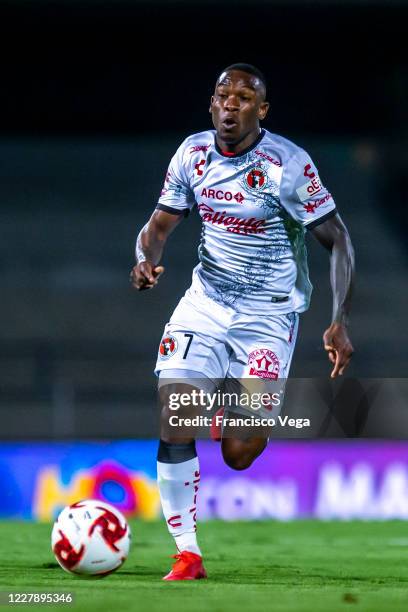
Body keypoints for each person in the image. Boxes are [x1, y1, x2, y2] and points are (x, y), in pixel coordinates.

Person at [130, 63, 354, 580]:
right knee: (175, 412)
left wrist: (338, 319)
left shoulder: (288, 166)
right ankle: (187, 553)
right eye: (222, 94)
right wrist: (142, 258)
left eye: (245, 97)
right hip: (205, 303)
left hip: (269, 315)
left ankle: (230, 416)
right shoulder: (192, 154)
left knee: (238, 452)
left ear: (262, 110)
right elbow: (159, 225)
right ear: (211, 104)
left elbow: (338, 238)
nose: (231, 103)